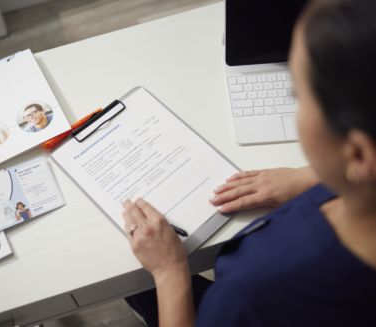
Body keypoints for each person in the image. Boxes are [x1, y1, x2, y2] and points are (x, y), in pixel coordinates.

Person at [121, 0, 376, 326]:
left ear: (358, 154)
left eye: (297, 96)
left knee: (134, 285)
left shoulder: (254, 292)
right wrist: (310, 177)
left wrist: (169, 271)